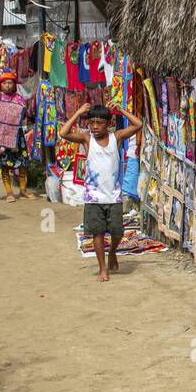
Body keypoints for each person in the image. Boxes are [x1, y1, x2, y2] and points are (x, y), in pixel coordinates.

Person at [59, 102, 143, 282]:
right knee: (97, 233)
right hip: (93, 198)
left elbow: (138, 125)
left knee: (117, 232)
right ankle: (102, 269)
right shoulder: (87, 139)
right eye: (92, 123)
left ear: (109, 123)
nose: (95, 127)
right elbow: (63, 133)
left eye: (99, 123)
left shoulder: (117, 137)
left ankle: (112, 253)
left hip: (113, 196)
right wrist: (78, 112)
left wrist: (120, 110)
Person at [0, 71, 36, 202]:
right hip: (2, 137)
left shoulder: (19, 99)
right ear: (0, 85)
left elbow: (24, 116)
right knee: (4, 164)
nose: (7, 85)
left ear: (14, 84)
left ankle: (23, 190)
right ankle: (9, 192)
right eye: (4, 83)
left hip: (17, 136)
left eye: (10, 83)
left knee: (23, 163)